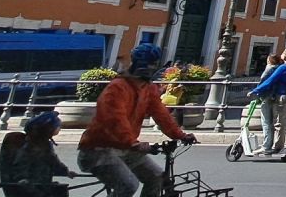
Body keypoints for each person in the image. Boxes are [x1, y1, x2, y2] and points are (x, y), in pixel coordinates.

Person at [78, 43, 197, 197]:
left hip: (126, 149)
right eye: (147, 64)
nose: (150, 68)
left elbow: (161, 114)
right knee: (128, 185)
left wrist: (180, 135)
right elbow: (115, 119)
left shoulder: (148, 89)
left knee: (157, 177)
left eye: (152, 64)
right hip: (98, 150)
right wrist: (133, 143)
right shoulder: (117, 88)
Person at [2, 110, 71, 197]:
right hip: (31, 187)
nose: (58, 129)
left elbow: (53, 162)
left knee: (60, 190)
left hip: (43, 184)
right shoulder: (29, 149)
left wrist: (66, 172)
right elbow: (21, 171)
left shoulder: (46, 146)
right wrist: (25, 182)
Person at [247, 50, 286, 155]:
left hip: (274, 97)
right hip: (283, 97)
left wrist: (255, 91)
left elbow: (269, 81)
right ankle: (276, 145)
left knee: (269, 122)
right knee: (278, 123)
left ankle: (269, 146)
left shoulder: (281, 68)